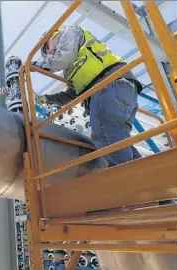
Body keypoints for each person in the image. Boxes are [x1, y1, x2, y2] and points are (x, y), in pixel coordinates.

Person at [32, 26, 143, 167]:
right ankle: (146, 174)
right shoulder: (72, 67)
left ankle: (123, 179)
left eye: (47, 47)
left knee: (104, 132)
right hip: (118, 87)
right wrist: (48, 99)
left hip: (108, 84)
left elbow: (62, 59)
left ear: (52, 36)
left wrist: (35, 65)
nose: (49, 52)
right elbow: (73, 93)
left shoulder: (69, 33)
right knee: (118, 137)